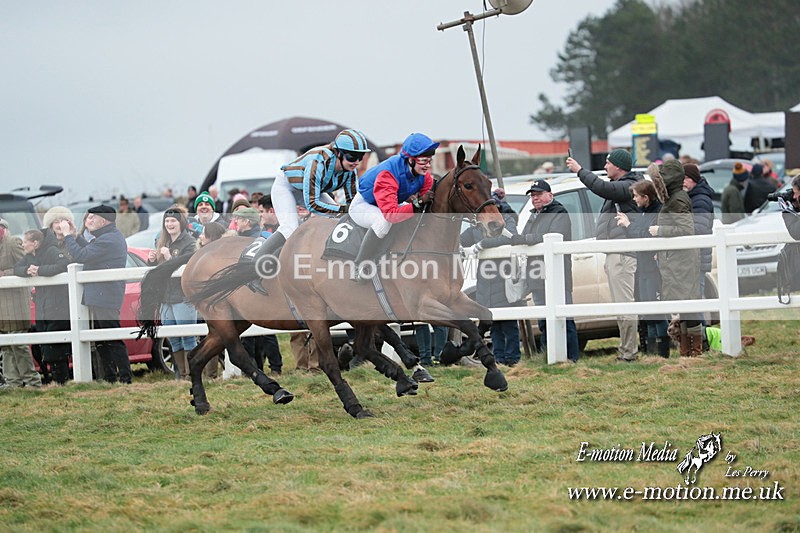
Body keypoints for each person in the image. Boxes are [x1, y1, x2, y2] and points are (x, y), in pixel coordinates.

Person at [251, 128, 370, 266]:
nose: (356, 162)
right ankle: (253, 266)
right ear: (338, 153)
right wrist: (343, 209)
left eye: (360, 157)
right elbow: (313, 205)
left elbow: (353, 204)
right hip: (287, 187)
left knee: (338, 219)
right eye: (352, 157)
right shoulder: (318, 163)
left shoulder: (350, 172)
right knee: (289, 228)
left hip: (309, 189)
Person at [566, 149, 642, 362]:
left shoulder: (628, 186)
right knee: (620, 304)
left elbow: (602, 188)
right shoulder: (623, 185)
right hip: (616, 254)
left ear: (619, 167)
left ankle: (629, 353)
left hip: (623, 254)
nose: (605, 167)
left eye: (608, 163)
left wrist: (579, 170)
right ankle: (626, 350)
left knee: (624, 304)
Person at [349, 132, 437, 281]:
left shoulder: (424, 175)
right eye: (424, 161)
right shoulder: (387, 175)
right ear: (411, 160)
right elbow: (392, 215)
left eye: (429, 160)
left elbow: (426, 205)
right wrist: (420, 202)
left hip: (389, 203)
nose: (428, 166)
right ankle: (360, 266)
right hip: (364, 205)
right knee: (383, 222)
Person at [60, 205, 132, 383]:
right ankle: (110, 378)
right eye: (88, 217)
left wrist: (68, 236)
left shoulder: (108, 239)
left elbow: (81, 255)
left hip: (105, 295)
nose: (88, 220)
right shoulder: (108, 237)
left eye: (92, 217)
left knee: (112, 338)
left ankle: (125, 378)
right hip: (102, 295)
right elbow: (90, 252)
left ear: (104, 220)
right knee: (101, 339)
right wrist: (76, 236)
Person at [511, 179, 580, 362]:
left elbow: (553, 236)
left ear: (550, 195)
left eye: (539, 194)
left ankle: (571, 359)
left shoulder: (559, 213)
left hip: (557, 275)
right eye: (533, 195)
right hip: (537, 275)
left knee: (564, 319)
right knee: (544, 321)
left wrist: (526, 239)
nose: (535, 198)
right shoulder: (533, 215)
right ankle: (548, 357)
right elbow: (525, 237)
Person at [461, 190, 522, 365]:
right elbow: (463, 239)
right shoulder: (479, 224)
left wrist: (483, 244)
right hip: (484, 278)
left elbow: (510, 238)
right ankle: (499, 358)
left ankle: (513, 359)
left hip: (504, 275)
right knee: (492, 323)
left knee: (508, 323)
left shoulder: (506, 219)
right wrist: (457, 245)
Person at [647, 161, 701, 357]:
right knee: (684, 306)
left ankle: (695, 350)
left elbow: (686, 229)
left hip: (682, 262)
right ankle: (686, 351)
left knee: (689, 306)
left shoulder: (677, 199)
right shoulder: (673, 198)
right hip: (676, 261)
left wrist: (661, 230)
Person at [615, 180, 669, 357]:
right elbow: (639, 233)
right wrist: (629, 226)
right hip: (643, 268)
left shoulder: (658, 212)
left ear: (646, 197)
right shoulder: (644, 212)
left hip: (654, 269)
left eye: (636, 196)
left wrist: (629, 225)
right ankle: (652, 354)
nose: (634, 199)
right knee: (647, 312)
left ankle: (662, 354)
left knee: (657, 312)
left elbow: (647, 234)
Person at [14, 227, 72, 384]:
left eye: (25, 241)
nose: (23, 245)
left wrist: (40, 270)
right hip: (42, 306)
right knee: (46, 346)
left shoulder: (52, 251)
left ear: (35, 243)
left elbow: (64, 265)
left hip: (57, 306)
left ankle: (62, 383)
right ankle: (56, 382)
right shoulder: (30, 256)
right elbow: (17, 269)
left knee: (57, 347)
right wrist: (27, 270)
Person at [146, 206, 198, 380]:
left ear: (181, 222)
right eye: (167, 221)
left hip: (182, 296)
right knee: (173, 338)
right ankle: (180, 374)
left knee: (187, 337)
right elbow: (158, 271)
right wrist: (152, 261)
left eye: (173, 221)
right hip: (165, 297)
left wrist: (170, 258)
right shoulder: (162, 242)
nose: (169, 224)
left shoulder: (190, 242)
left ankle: (192, 374)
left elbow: (189, 267)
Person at [0, 219, 42, 388]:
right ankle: (13, 382)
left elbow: (25, 266)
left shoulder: (12, 242)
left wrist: (4, 273)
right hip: (2, 306)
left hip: (15, 303)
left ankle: (32, 381)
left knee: (18, 344)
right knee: (5, 346)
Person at [683, 163, 714, 349]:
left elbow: (699, 228)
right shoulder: (694, 197)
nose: (682, 183)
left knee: (695, 301)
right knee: (693, 302)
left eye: (685, 179)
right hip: (694, 258)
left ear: (692, 179)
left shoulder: (700, 199)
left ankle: (703, 342)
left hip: (698, 258)